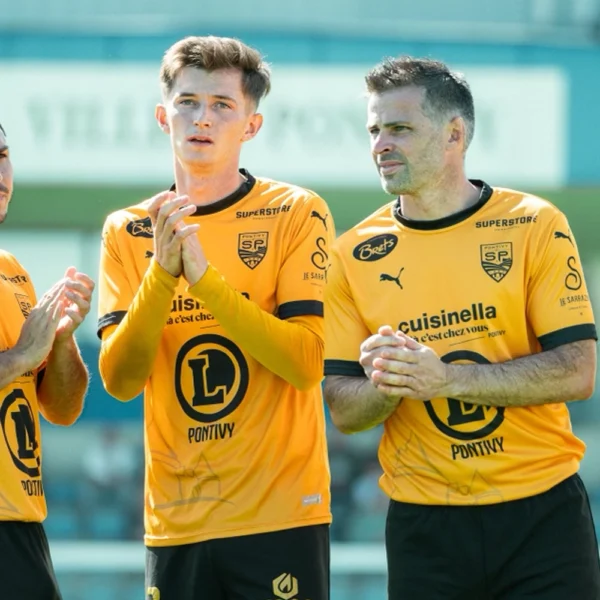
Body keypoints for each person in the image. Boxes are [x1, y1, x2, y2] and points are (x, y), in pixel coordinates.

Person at [323, 56, 599, 599]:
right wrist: (388, 383)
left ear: (454, 134)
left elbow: (578, 371)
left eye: (399, 128)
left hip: (542, 514)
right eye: (375, 130)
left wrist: (446, 380)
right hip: (425, 526)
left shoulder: (535, 224)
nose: (381, 143)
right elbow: (343, 409)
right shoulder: (350, 253)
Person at [97, 36, 333, 600]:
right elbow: (121, 381)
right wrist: (162, 274)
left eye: (223, 105)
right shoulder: (127, 230)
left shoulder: (296, 211)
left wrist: (204, 281)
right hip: (176, 521)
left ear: (251, 125)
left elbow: (306, 364)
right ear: (163, 115)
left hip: (281, 517)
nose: (202, 118)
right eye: (188, 102)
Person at [0, 122, 94, 599]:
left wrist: (59, 339)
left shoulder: (13, 272)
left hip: (21, 527)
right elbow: (18, 361)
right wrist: (18, 357)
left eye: (3, 153)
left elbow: (62, 408)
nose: (0, 170)